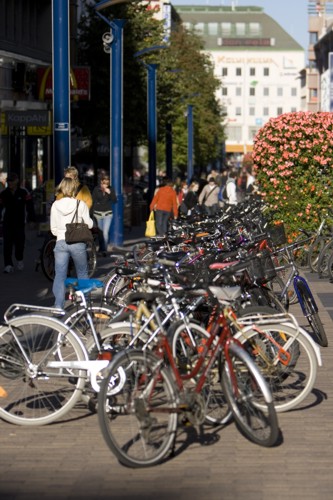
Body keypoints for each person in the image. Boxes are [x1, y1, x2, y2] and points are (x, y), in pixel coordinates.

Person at [50, 177, 93, 309]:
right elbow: (89, 225)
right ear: (74, 189)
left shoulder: (55, 205)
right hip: (78, 243)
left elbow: (53, 229)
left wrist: (62, 233)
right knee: (82, 273)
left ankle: (58, 305)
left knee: (60, 275)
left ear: (62, 188)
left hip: (61, 242)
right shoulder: (81, 204)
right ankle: (84, 303)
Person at [0, 173, 35, 273]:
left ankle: (19, 259)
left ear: (16, 181)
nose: (10, 183)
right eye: (8, 181)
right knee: (7, 244)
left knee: (20, 243)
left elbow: (30, 206)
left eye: (11, 181)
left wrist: (32, 219)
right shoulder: (4, 194)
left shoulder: (23, 192)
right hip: (7, 222)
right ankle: (8, 264)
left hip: (19, 222)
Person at [92, 175, 117, 256]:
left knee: (105, 232)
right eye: (103, 183)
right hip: (98, 214)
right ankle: (101, 247)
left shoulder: (111, 189)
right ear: (101, 182)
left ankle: (104, 250)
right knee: (100, 233)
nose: (105, 185)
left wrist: (109, 193)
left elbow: (114, 200)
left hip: (107, 214)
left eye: (107, 184)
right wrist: (91, 213)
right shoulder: (96, 189)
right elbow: (93, 200)